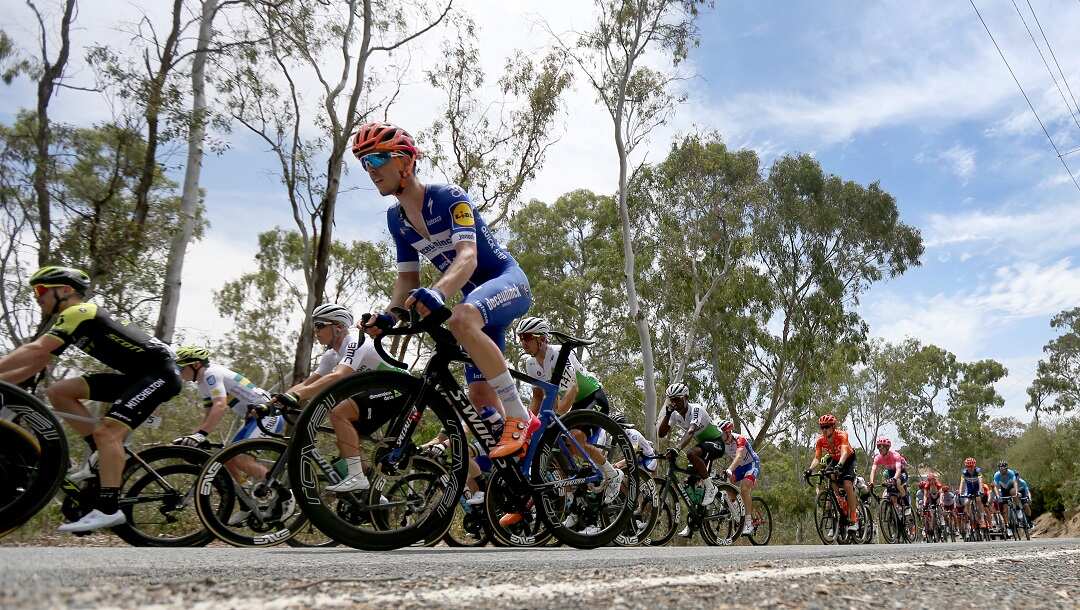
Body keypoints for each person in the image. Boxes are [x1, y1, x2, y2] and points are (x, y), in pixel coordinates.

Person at [351, 122, 532, 460]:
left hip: (506, 281)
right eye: (364, 163)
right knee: (478, 398)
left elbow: (468, 256)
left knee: (460, 318)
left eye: (376, 160)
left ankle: (521, 417)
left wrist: (438, 292)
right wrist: (389, 316)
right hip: (476, 305)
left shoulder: (449, 198)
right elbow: (407, 279)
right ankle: (520, 480)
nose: (370, 171)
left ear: (405, 162)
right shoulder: (397, 220)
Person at [0, 266, 181, 532]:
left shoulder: (79, 311)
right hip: (137, 376)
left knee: (109, 433)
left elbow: (36, 349)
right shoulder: (69, 321)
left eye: (40, 290)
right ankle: (99, 453)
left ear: (65, 290)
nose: (36, 298)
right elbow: (37, 363)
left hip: (160, 375)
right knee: (58, 392)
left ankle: (109, 508)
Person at [272, 304, 403, 493]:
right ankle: (370, 494)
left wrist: (297, 396)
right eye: (314, 326)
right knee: (345, 444)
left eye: (319, 325)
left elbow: (338, 376)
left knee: (339, 412)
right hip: (378, 392)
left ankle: (357, 478)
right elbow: (308, 384)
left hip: (399, 388)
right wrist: (274, 401)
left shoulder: (355, 341)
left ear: (338, 327)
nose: (315, 331)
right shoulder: (331, 356)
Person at [516, 316, 622, 508]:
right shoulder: (530, 364)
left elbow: (573, 391)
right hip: (569, 402)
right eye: (521, 338)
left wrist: (552, 417)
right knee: (555, 444)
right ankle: (572, 493)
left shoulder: (558, 354)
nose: (523, 342)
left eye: (527, 337)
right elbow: (538, 397)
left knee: (574, 437)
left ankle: (613, 474)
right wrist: (529, 422)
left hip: (592, 397)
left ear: (542, 338)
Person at [656, 382, 723, 511]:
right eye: (671, 400)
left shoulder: (696, 409)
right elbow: (661, 433)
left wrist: (677, 448)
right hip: (703, 446)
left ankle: (711, 487)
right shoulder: (675, 414)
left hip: (717, 443)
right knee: (689, 482)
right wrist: (668, 414)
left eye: (677, 399)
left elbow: (691, 431)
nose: (674, 403)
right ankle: (696, 515)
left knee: (691, 453)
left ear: (686, 397)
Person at [805, 413, 859, 532]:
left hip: (848, 459)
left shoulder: (842, 435)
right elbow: (817, 458)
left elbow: (844, 452)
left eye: (827, 427)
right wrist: (810, 469)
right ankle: (841, 507)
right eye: (822, 427)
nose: (824, 430)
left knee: (847, 484)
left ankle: (854, 519)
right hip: (835, 459)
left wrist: (840, 465)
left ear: (833, 427)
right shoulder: (820, 440)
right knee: (830, 478)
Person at [716, 419, 760, 536]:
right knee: (728, 484)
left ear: (728, 432)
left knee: (744, 488)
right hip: (740, 467)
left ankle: (749, 523)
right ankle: (736, 509)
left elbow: (739, 456)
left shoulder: (740, 439)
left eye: (721, 434)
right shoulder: (721, 443)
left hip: (751, 464)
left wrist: (730, 469)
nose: (719, 436)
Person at [868, 437, 909, 510]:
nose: (879, 448)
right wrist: (871, 482)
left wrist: (894, 479)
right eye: (878, 446)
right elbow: (873, 470)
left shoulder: (895, 455)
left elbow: (898, 469)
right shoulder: (878, 458)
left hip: (901, 471)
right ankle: (895, 511)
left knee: (897, 483)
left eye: (881, 446)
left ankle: (906, 504)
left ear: (887, 447)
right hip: (891, 472)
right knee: (890, 491)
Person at [958, 457, 989, 528]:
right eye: (968, 467)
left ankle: (982, 519)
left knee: (978, 500)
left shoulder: (978, 471)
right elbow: (962, 483)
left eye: (971, 466)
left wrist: (981, 490)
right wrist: (960, 492)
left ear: (974, 466)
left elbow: (980, 481)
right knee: (967, 502)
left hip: (977, 487)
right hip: (969, 488)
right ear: (966, 467)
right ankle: (970, 518)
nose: (970, 468)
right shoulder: (964, 473)